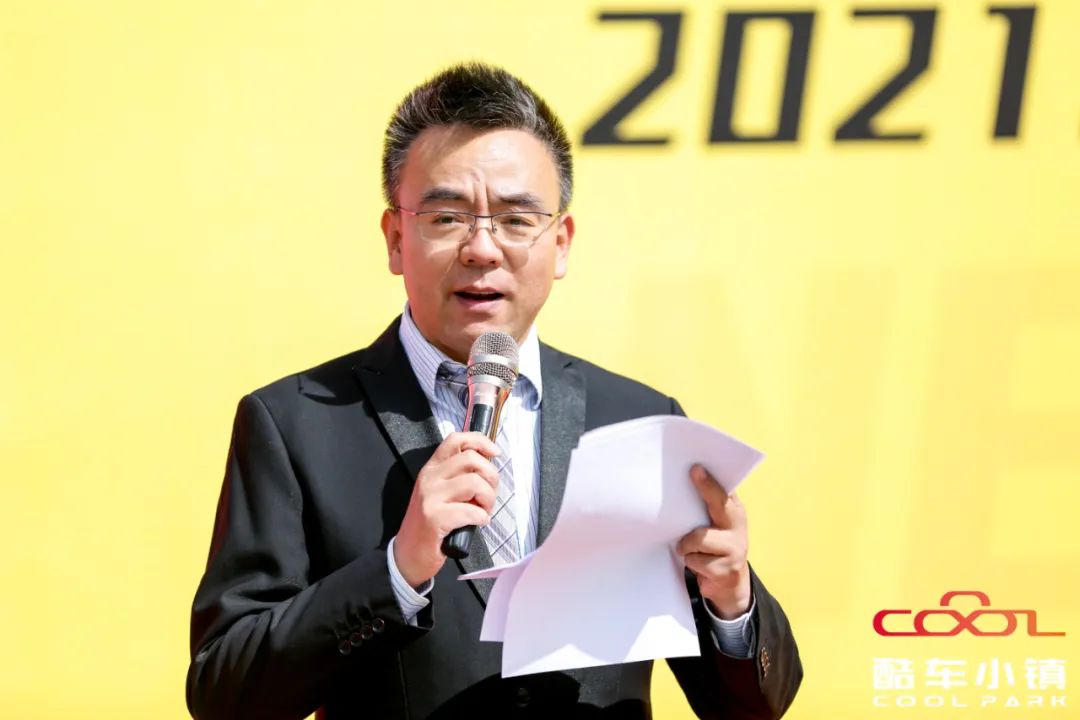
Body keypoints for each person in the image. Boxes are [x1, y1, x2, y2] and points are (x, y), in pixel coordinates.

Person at [187, 62, 802, 720]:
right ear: (396, 238)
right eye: (447, 217)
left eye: (515, 219)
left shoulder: (641, 421)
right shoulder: (296, 424)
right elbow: (226, 692)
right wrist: (398, 570)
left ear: (560, 244)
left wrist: (730, 601)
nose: (482, 248)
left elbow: (754, 706)